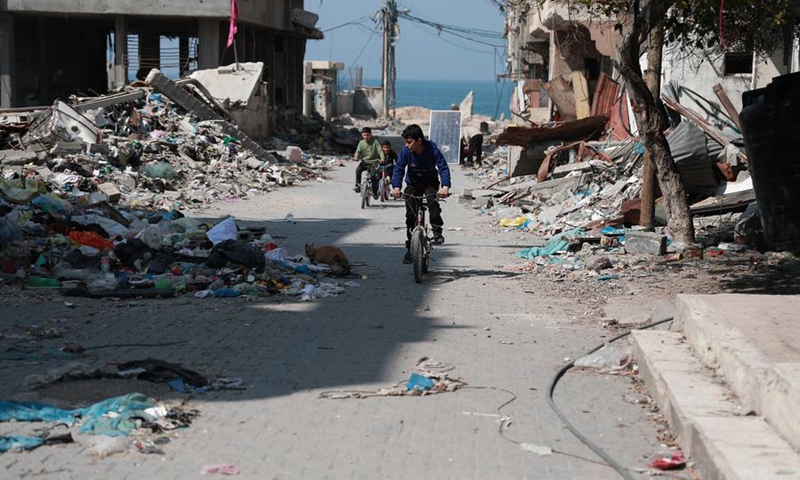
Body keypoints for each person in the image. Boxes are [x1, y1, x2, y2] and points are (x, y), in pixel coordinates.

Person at [392, 124, 451, 264]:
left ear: (419, 140)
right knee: (410, 213)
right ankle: (410, 248)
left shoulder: (432, 150)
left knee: (432, 201)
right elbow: (399, 169)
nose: (407, 145)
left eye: (409, 142)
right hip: (412, 184)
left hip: (430, 183)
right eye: (406, 142)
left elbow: (443, 167)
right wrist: (396, 187)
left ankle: (437, 232)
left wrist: (445, 187)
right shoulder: (406, 152)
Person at [353, 126, 384, 193]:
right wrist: (356, 157)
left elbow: (380, 151)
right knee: (358, 170)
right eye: (364, 135)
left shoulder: (375, 142)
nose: (366, 137)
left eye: (367, 135)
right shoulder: (361, 143)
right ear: (362, 135)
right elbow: (358, 151)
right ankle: (357, 185)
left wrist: (382, 158)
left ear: (370, 135)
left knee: (373, 176)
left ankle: (375, 189)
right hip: (365, 162)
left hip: (374, 162)